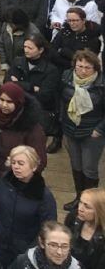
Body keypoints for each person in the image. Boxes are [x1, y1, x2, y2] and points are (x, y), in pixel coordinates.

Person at [0, 145, 57, 267]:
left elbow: (47, 228)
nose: (16, 167)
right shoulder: (4, 181)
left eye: (21, 163)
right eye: (13, 162)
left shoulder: (43, 195)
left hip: (23, 251)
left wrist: (30, 250)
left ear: (33, 166)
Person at [62, 49, 105, 210]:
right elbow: (62, 101)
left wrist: (99, 130)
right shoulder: (66, 77)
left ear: (95, 69)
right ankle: (79, 198)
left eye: (88, 67)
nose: (82, 70)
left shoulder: (101, 84)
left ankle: (91, 201)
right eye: (79, 66)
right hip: (71, 128)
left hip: (93, 132)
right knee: (76, 165)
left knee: (89, 168)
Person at [9, 221, 78, 269]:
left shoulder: (77, 267)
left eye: (64, 246)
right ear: (42, 243)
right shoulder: (23, 262)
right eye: (53, 245)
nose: (59, 252)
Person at [66, 187, 105, 268]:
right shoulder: (72, 218)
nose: (80, 209)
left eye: (87, 207)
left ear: (100, 210)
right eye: (80, 202)